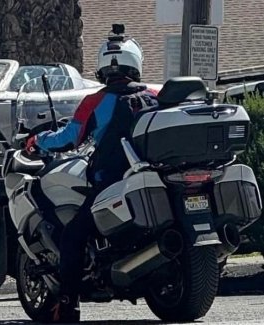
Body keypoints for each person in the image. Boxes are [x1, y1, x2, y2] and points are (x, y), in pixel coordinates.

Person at [25, 24, 159, 322]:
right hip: (154, 180)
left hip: (111, 182)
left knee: (73, 236)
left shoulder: (96, 101)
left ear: (102, 66)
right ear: (135, 62)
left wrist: (36, 141)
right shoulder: (153, 95)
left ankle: (68, 304)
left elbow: (69, 139)